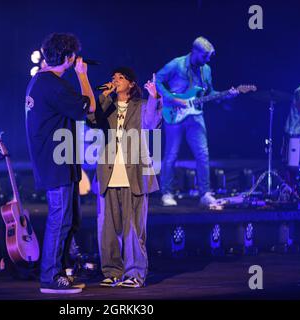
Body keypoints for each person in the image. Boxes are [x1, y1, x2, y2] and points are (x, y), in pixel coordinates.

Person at [25, 33, 95, 294]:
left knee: (69, 218)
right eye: (73, 57)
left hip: (57, 161)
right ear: (68, 58)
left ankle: (61, 270)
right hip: (56, 163)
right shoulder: (54, 85)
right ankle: (50, 276)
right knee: (60, 218)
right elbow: (89, 107)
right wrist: (82, 75)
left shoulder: (39, 81)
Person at [87, 67, 161, 288]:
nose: (115, 80)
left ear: (131, 84)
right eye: (113, 78)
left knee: (133, 228)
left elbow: (151, 123)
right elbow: (91, 118)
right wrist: (103, 95)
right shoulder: (107, 106)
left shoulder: (140, 106)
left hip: (135, 175)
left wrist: (154, 96)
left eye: (121, 78)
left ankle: (135, 274)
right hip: (108, 174)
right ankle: (112, 271)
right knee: (107, 228)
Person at [155, 36, 238, 207]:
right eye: (205, 56)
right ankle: (167, 192)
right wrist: (173, 99)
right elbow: (157, 81)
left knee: (203, 154)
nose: (207, 60)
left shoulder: (206, 70)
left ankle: (205, 193)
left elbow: (209, 93)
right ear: (195, 51)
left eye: (209, 57)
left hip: (196, 115)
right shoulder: (176, 64)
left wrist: (225, 95)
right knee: (171, 154)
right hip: (174, 113)